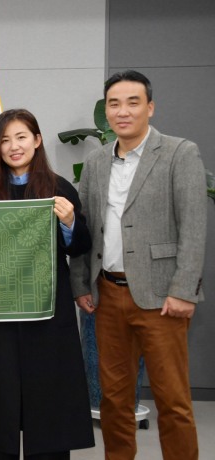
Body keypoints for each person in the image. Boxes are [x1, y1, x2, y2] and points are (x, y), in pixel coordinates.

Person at [70, 70, 206, 459]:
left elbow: (194, 227)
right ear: (106, 111)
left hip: (163, 298)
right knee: (114, 400)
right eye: (114, 104)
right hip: (108, 296)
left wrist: (183, 291)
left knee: (173, 401)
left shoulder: (180, 153)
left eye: (132, 102)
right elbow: (85, 225)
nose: (122, 111)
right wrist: (81, 285)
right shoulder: (96, 162)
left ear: (150, 107)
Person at [0, 108, 95, 459]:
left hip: (47, 315)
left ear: (36, 140)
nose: (13, 147)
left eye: (21, 137)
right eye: (4, 140)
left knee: (48, 406)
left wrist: (68, 223)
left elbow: (80, 246)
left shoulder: (59, 187)